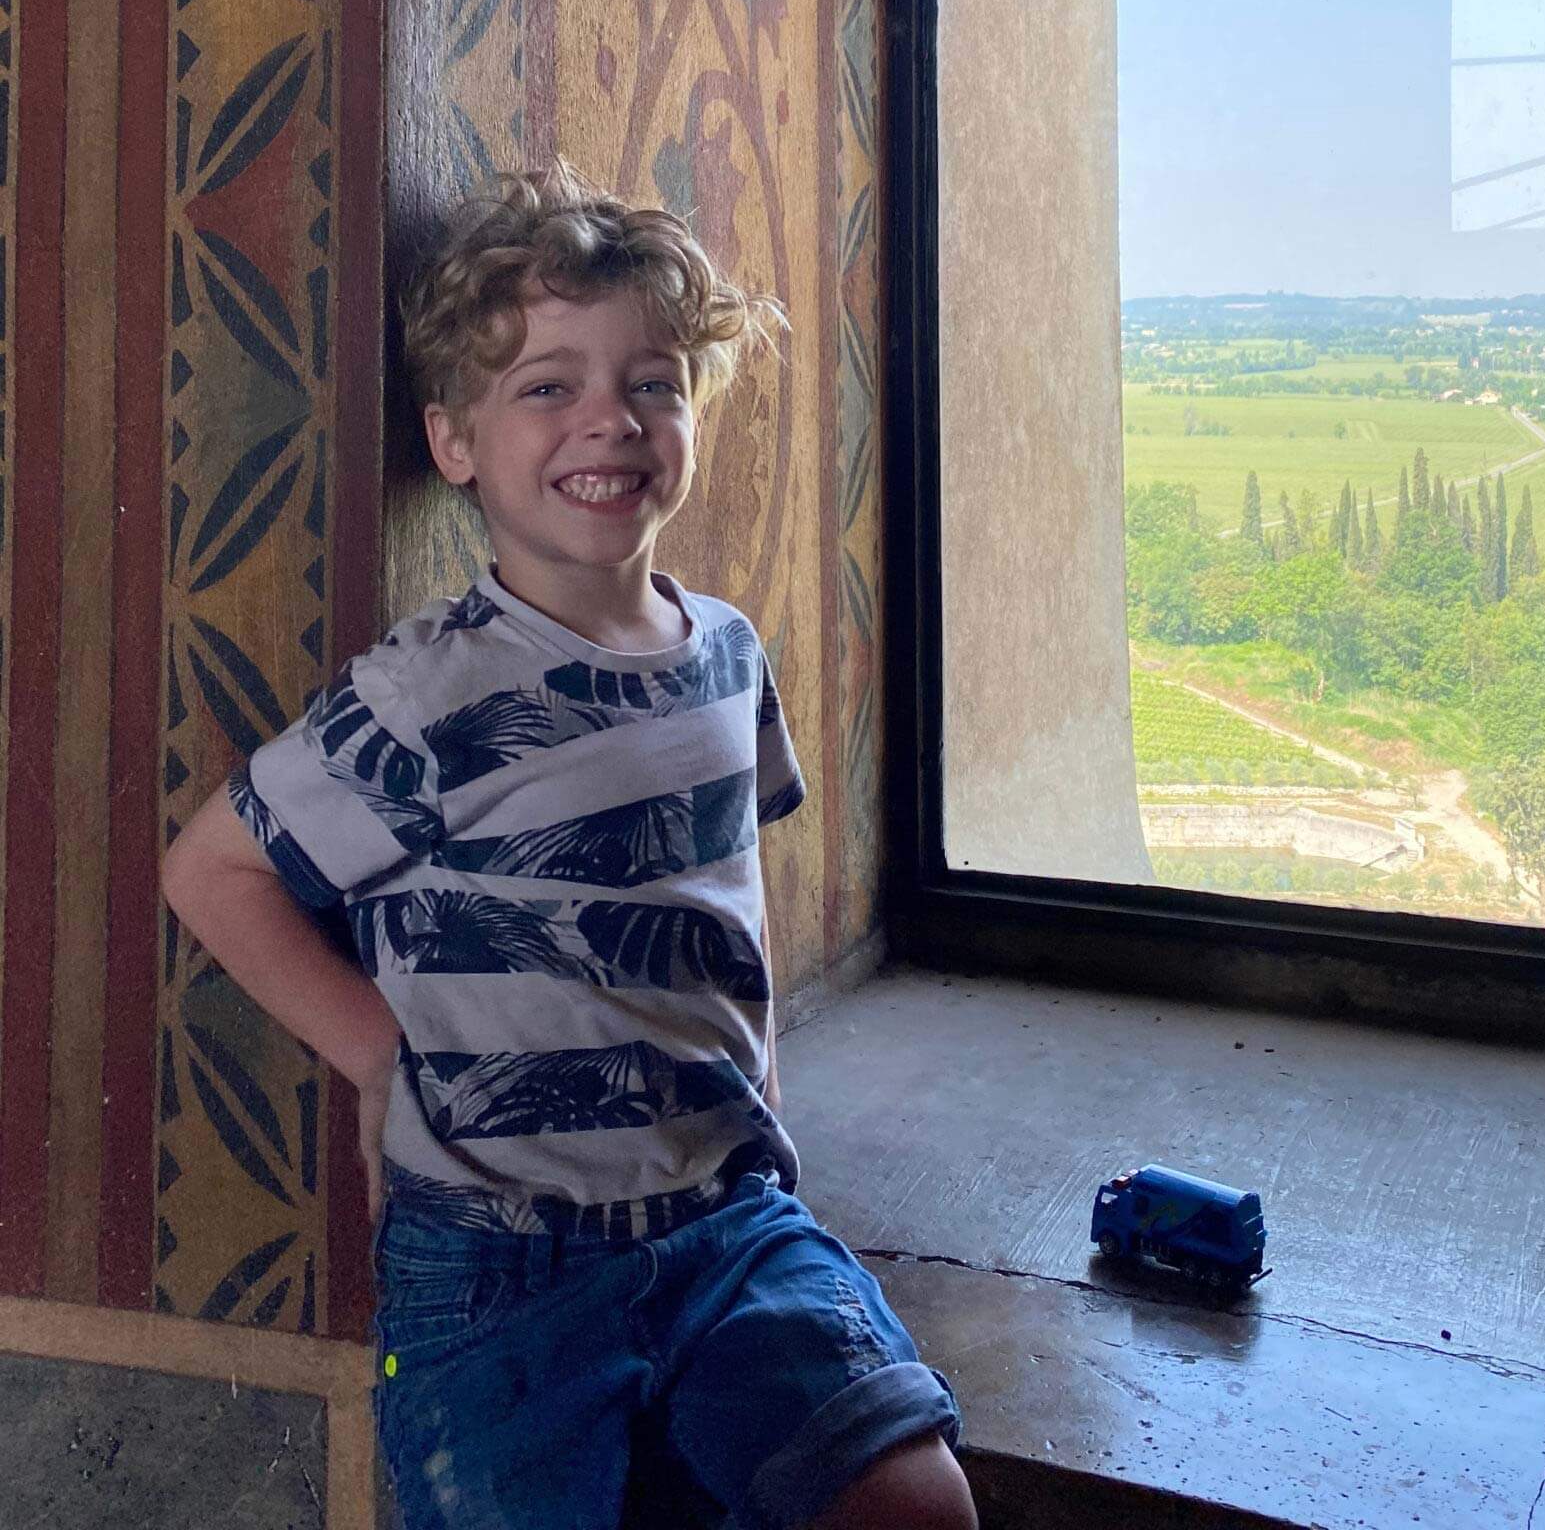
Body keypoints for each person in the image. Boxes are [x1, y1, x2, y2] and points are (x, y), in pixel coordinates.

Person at [163, 164, 975, 1530]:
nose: (612, 417)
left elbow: (728, 906)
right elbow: (212, 872)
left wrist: (763, 1105)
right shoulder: (427, 693)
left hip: (728, 1225)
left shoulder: (728, 655)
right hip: (499, 1263)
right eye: (549, 386)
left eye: (654, 382)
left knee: (915, 1505)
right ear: (455, 442)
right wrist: (379, 1059)